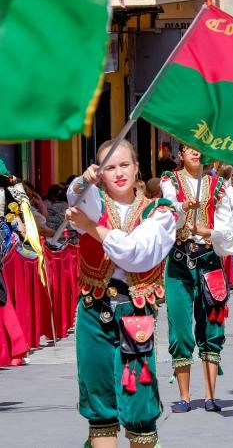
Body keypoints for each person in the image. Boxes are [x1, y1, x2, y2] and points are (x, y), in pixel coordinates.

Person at [64, 139, 177, 447]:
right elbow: (75, 194)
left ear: (137, 166)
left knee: (139, 403)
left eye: (124, 164)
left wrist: (91, 228)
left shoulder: (160, 212)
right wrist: (81, 181)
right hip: (93, 310)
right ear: (100, 175)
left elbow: (133, 254)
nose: (118, 173)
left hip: (134, 314)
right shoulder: (95, 201)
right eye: (109, 168)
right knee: (99, 407)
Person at [160, 145, 233, 414]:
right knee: (180, 329)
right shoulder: (169, 180)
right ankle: (184, 396)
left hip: (209, 262)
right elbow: (170, 211)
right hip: (179, 263)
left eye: (199, 148)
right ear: (180, 154)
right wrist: (182, 207)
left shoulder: (217, 186)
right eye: (188, 147)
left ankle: (210, 395)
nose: (195, 152)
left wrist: (209, 231)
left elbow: (229, 233)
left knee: (212, 328)